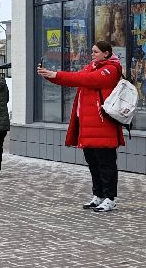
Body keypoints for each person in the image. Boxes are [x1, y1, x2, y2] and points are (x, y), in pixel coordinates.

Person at [36, 40, 125, 213]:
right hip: (88, 126)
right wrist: (50, 76)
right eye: (92, 51)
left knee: (106, 164)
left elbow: (85, 79)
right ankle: (98, 195)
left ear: (106, 53)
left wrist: (56, 74)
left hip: (103, 126)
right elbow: (75, 79)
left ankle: (110, 198)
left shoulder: (111, 69)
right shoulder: (92, 66)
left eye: (96, 51)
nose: (92, 54)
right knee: (93, 163)